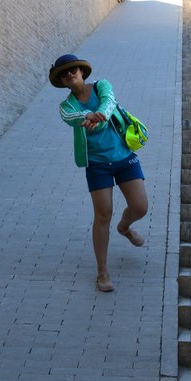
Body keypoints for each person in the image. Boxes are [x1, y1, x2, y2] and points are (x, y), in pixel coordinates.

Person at [49, 53, 148, 293]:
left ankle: (124, 227)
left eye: (73, 69)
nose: (69, 74)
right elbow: (71, 118)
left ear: (82, 71)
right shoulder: (67, 106)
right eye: (64, 73)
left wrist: (99, 115)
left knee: (140, 207)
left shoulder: (102, 85)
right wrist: (86, 115)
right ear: (61, 81)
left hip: (124, 156)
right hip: (97, 164)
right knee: (103, 214)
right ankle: (102, 272)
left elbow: (109, 102)